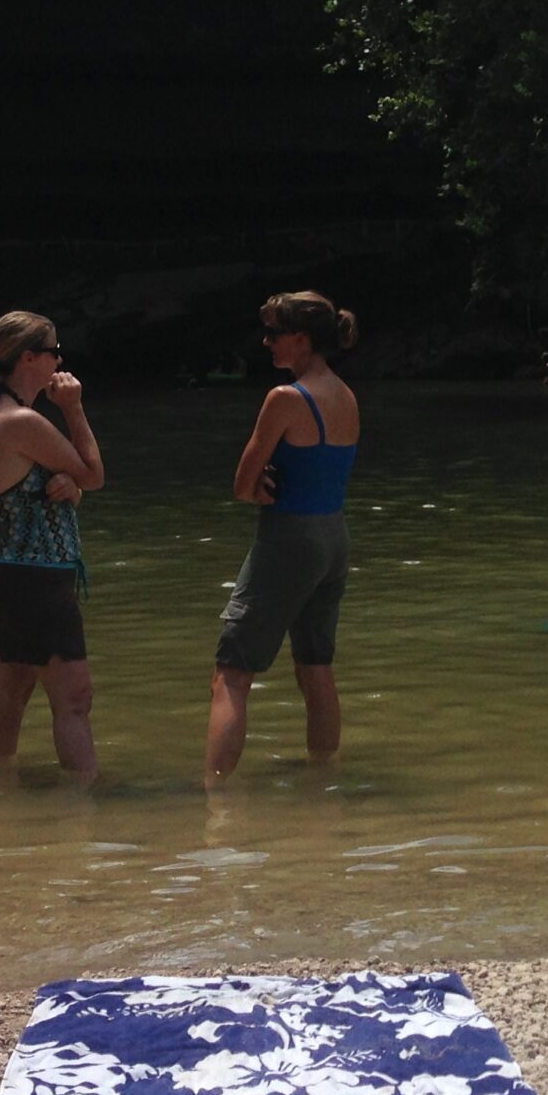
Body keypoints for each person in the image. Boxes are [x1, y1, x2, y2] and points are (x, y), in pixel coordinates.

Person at [207, 292, 359, 784]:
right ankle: (323, 779)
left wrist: (261, 486)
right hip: (334, 538)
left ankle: (214, 795)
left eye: (275, 333)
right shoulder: (346, 395)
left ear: (301, 339)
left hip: (289, 540)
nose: (267, 342)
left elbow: (242, 484)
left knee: (231, 673)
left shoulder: (285, 398)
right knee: (315, 667)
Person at [0, 312, 105, 780]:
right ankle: (83, 809)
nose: (60, 360)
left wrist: (71, 488)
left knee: (12, 694)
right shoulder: (22, 421)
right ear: (30, 358)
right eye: (53, 351)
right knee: (74, 698)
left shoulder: (0, 415)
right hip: (34, 580)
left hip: (13, 575)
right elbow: (94, 472)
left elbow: (65, 485)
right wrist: (74, 408)